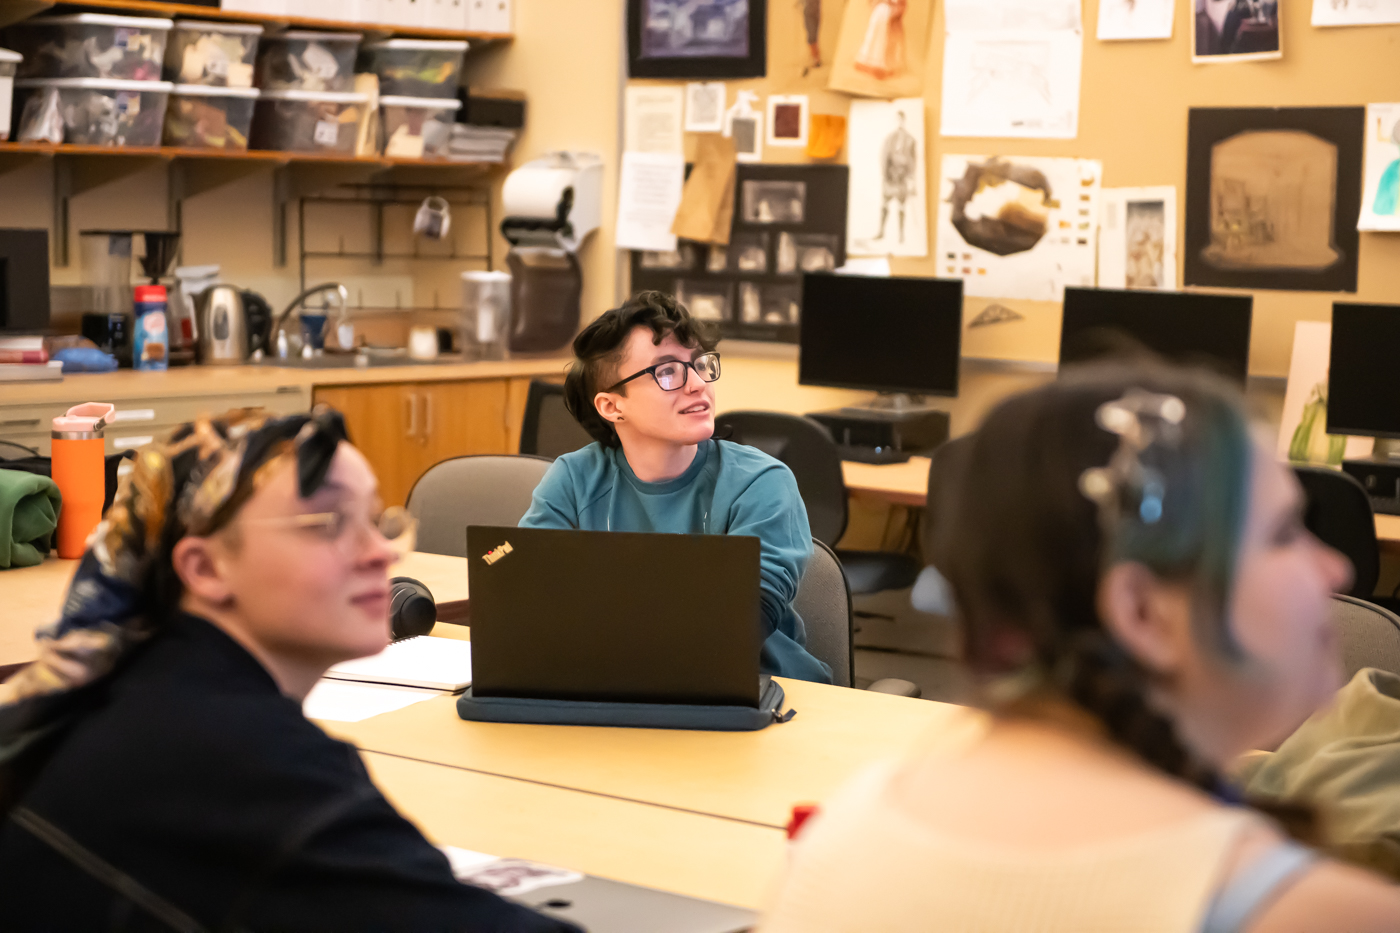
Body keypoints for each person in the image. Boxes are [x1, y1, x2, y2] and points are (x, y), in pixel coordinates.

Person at [760, 363, 1400, 931]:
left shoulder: (841, 834)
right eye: (1285, 533)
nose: (1335, 570)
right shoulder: (1313, 911)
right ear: (1141, 611)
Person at [0, 408, 578, 932]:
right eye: (328, 523)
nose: (381, 552)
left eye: (376, 520)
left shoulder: (116, 692)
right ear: (204, 567)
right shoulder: (238, 760)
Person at [520, 291, 832, 684]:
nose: (698, 384)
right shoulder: (572, 479)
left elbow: (739, 626)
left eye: (699, 364)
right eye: (667, 372)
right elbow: (528, 599)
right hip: (615, 687)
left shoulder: (761, 482)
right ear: (612, 406)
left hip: (759, 691)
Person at [877, 109, 917, 244]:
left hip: (902, 178)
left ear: (904, 121)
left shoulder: (910, 140)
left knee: (901, 206)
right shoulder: (889, 138)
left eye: (901, 119)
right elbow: (883, 157)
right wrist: (885, 174)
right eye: (896, 120)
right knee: (885, 203)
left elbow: (913, 161)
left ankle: (901, 235)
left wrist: (911, 179)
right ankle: (881, 232)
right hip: (890, 176)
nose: (899, 122)